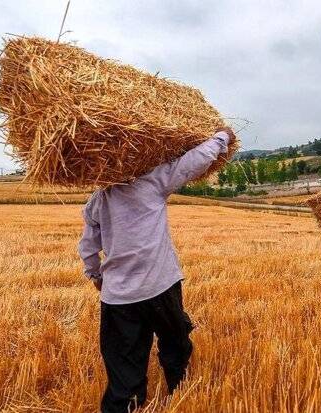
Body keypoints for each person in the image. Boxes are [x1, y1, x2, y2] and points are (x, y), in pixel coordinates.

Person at [78, 128, 235, 413]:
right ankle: (183, 397)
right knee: (175, 346)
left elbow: (88, 248)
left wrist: (96, 276)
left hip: (118, 299)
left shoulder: (97, 201)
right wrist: (221, 138)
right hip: (160, 287)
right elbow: (194, 161)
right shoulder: (153, 182)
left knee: (124, 366)